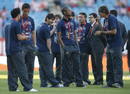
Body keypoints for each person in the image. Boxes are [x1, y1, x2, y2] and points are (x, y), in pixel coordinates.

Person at [5, 8, 37, 92]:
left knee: (11, 70)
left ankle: (12, 88)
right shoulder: (16, 24)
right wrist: (26, 37)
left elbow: (11, 37)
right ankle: (28, 87)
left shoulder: (7, 24)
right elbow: (19, 37)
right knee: (22, 69)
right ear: (18, 15)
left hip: (8, 50)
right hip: (16, 50)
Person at [96, 6, 123, 88]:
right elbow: (104, 29)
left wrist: (101, 32)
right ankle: (110, 82)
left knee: (117, 64)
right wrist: (99, 23)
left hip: (116, 44)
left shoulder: (112, 18)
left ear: (104, 11)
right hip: (109, 44)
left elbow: (114, 31)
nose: (99, 14)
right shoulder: (105, 20)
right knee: (109, 64)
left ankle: (119, 83)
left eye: (99, 12)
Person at [57, 7, 84, 87]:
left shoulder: (73, 21)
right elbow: (59, 37)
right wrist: (64, 47)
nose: (70, 11)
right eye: (68, 10)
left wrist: (77, 45)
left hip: (74, 46)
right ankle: (66, 82)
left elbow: (75, 34)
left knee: (77, 65)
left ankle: (79, 83)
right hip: (66, 45)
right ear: (65, 12)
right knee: (66, 66)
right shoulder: (60, 23)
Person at [36, 13, 62, 87]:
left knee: (42, 68)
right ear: (47, 18)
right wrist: (50, 50)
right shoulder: (45, 28)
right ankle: (55, 83)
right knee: (48, 67)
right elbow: (48, 40)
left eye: (53, 20)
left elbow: (46, 35)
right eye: (51, 19)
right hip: (44, 50)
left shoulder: (40, 26)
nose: (52, 21)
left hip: (39, 49)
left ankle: (43, 83)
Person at [19, 3, 36, 87]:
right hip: (21, 46)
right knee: (21, 66)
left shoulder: (31, 20)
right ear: (22, 10)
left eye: (28, 11)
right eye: (25, 11)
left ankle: (30, 84)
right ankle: (23, 84)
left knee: (30, 66)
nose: (26, 13)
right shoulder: (18, 20)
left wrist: (34, 44)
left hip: (30, 45)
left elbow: (33, 32)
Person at [88, 13, 106, 85]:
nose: (89, 19)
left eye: (91, 17)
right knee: (94, 64)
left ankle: (100, 80)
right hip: (93, 48)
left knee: (98, 64)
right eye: (89, 17)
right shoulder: (92, 26)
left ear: (95, 18)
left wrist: (102, 46)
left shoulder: (98, 26)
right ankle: (96, 79)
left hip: (98, 48)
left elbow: (103, 37)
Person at [77, 12, 92, 85]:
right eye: (79, 17)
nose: (79, 18)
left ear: (85, 18)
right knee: (77, 65)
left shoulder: (89, 26)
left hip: (85, 47)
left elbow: (89, 37)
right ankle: (78, 79)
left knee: (84, 65)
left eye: (81, 17)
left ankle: (85, 79)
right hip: (77, 47)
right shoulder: (76, 25)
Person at [51, 14, 62, 83]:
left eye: (58, 19)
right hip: (51, 49)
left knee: (59, 66)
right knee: (50, 65)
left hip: (59, 49)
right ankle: (51, 79)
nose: (56, 20)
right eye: (55, 19)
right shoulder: (49, 27)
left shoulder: (62, 28)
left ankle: (58, 79)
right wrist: (54, 28)